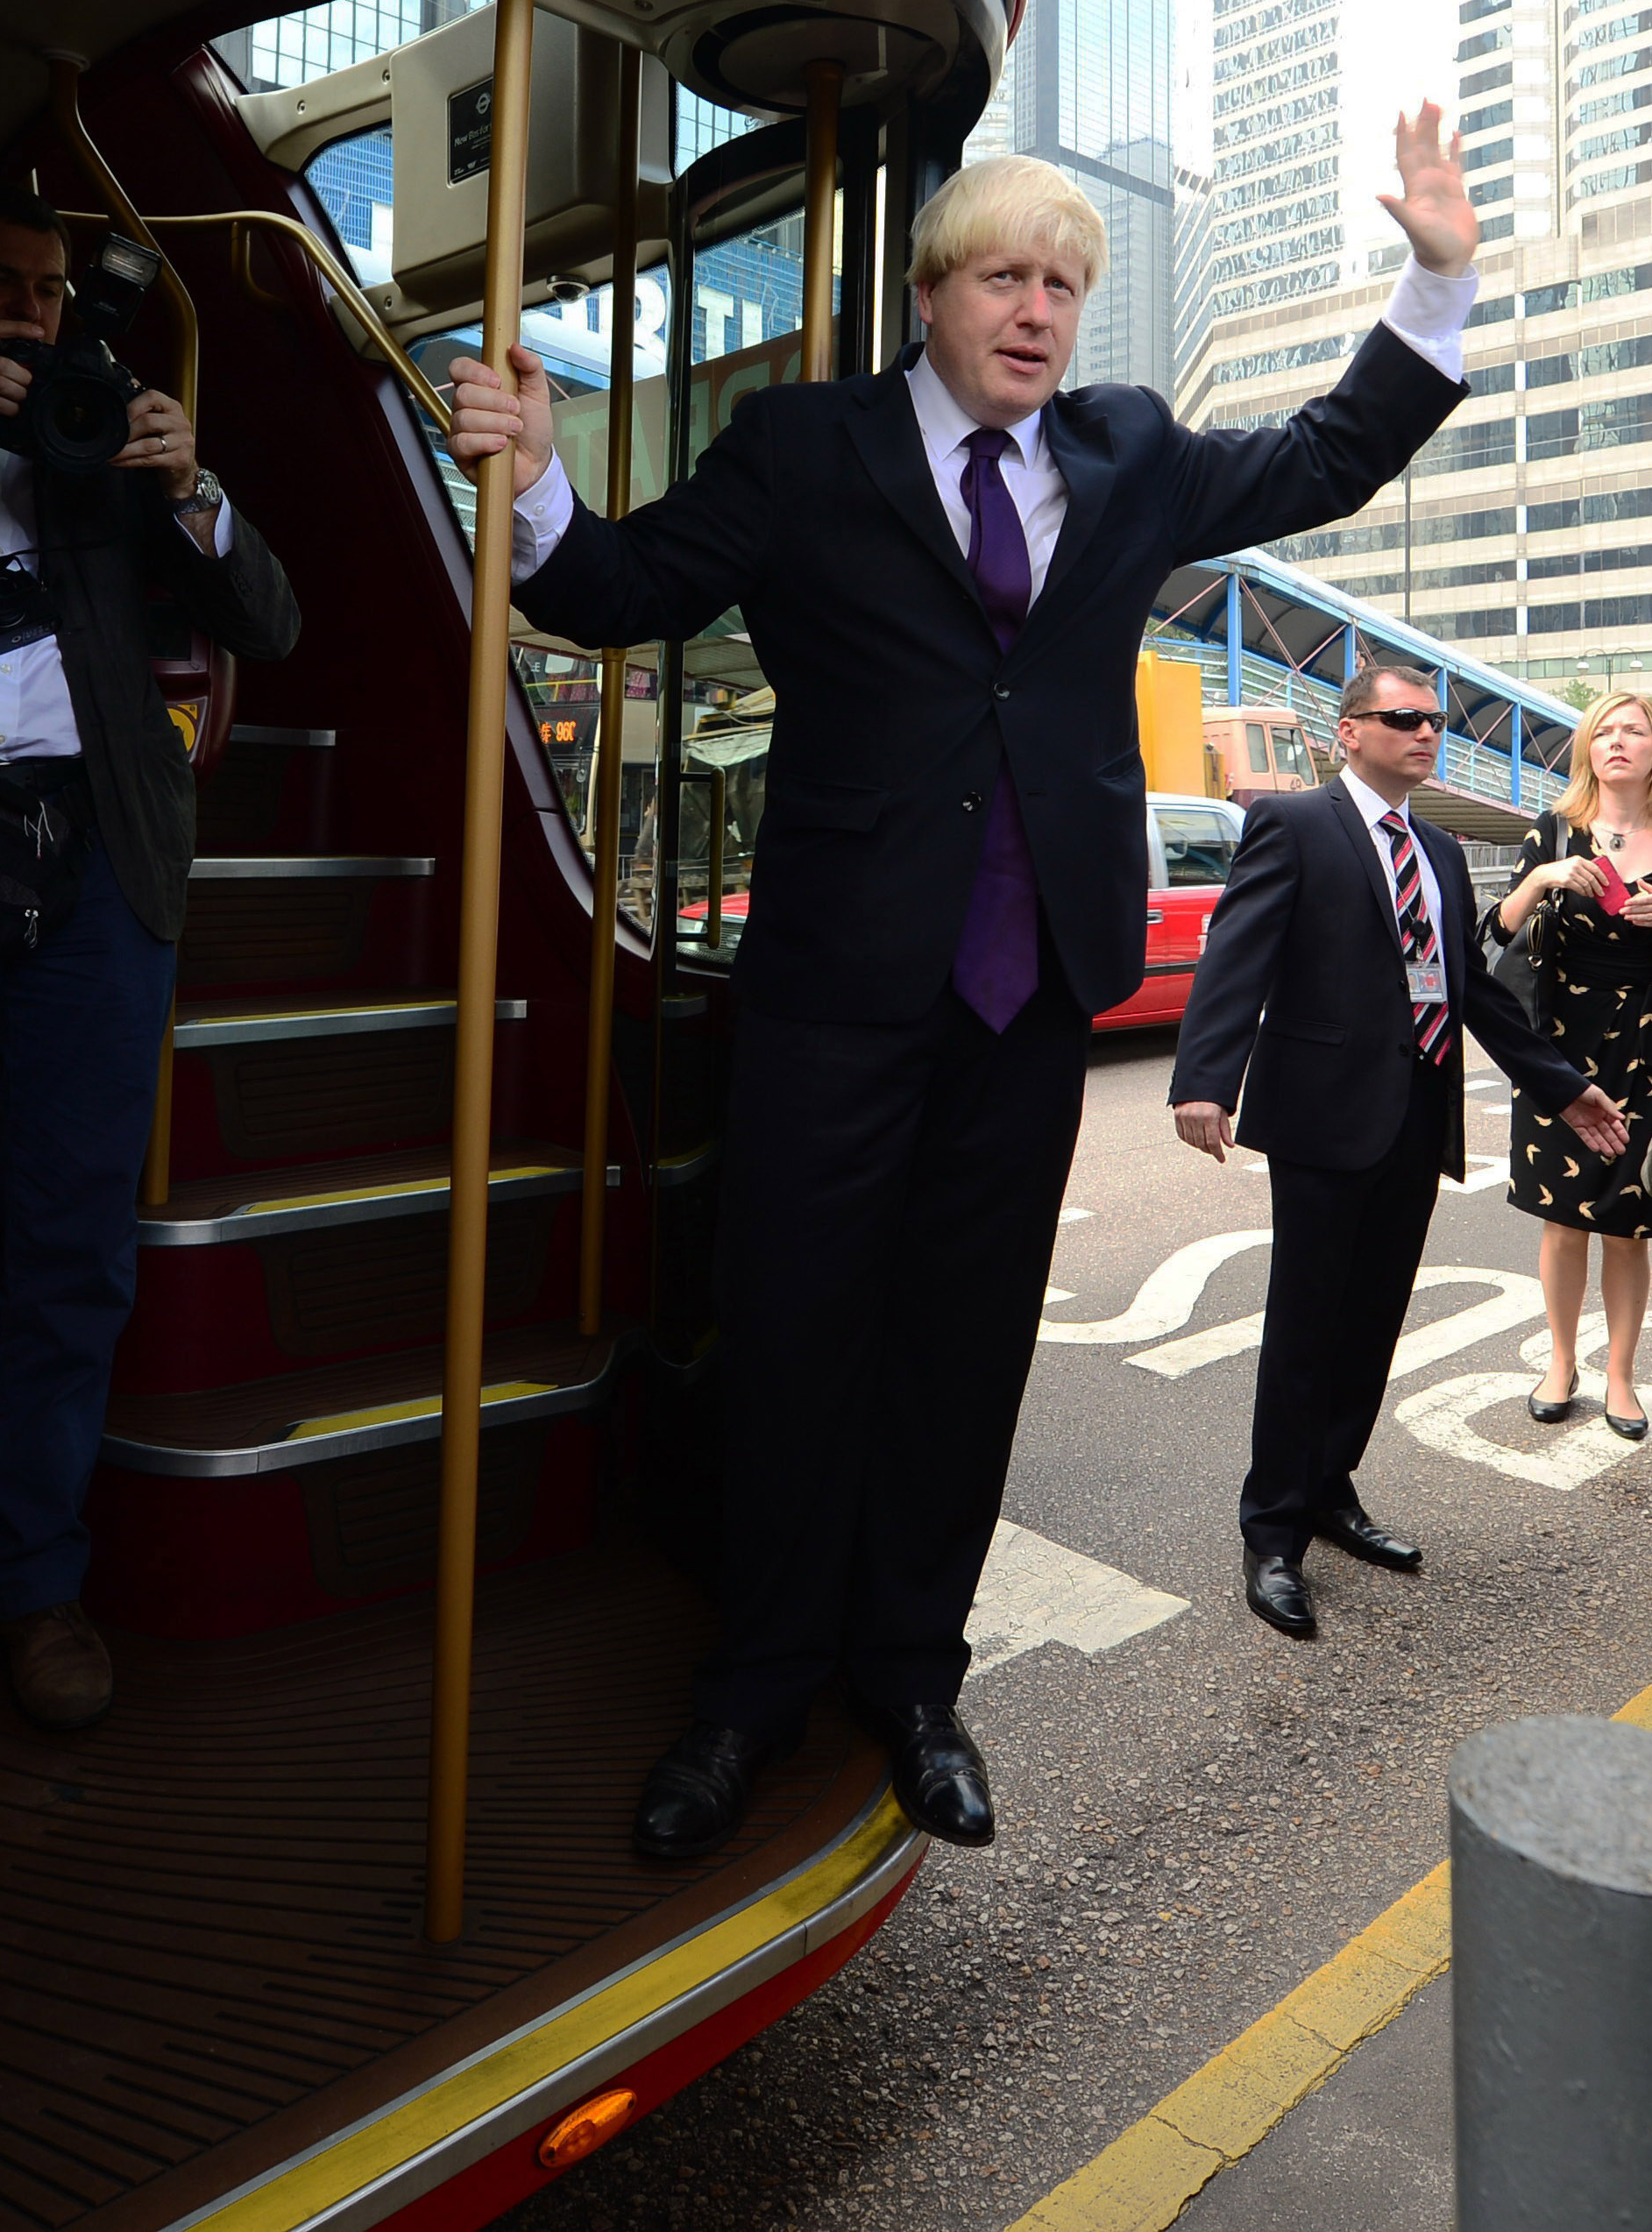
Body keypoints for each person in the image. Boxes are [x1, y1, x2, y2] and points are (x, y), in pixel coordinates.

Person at [441, 117, 1496, 1860]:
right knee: (794, 1335)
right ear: (930, 294)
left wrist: (1435, 280)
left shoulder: (1128, 450)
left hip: (1029, 995)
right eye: (1004, 276)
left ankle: (916, 1680)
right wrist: (541, 477)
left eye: (1063, 286)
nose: (1036, 310)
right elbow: (623, 587)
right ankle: (751, 1687)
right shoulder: (803, 445)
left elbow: (1327, 453)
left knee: (964, 1349)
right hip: (836, 987)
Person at [0, 182, 300, 1732]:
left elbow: (272, 619)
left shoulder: (109, 436)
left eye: (52, 291)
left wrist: (190, 482)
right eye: (2, 284)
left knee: (71, 1251)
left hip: (98, 870)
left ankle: (30, 1581)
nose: (31, 315)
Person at [1166, 657, 1619, 1641]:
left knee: (1372, 1321)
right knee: (1305, 1327)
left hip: (1416, 1112)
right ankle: (1272, 1530)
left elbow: (1471, 987)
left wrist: (1562, 1085)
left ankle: (1330, 1488)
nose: (1425, 734)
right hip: (1323, 1115)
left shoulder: (1441, 849)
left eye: (1433, 721)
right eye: (1404, 718)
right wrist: (1204, 1078)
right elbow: (1238, 950)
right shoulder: (1294, 823)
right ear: (1349, 731)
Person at [1488, 689, 1652, 1438]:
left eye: (1633, 730)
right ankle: (1559, 1361)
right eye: (1603, 730)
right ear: (1587, 748)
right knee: (1561, 1217)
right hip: (1557, 1043)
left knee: (1629, 1220)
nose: (1617, 741)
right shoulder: (1554, 829)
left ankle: (1620, 1373)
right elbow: (1497, 928)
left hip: (1649, 1043)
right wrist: (1544, 878)